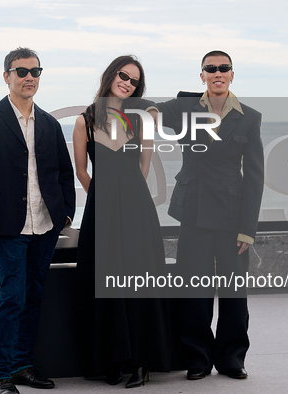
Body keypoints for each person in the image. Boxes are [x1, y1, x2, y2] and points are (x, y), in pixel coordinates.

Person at [0, 47, 75, 394]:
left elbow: (63, 172)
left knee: (33, 296)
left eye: (35, 71)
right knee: (12, 296)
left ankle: (22, 365)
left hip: (44, 225)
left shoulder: (49, 122)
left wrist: (65, 213)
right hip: (8, 225)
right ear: (7, 76)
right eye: (22, 71)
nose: (30, 77)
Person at [156, 50, 264, 380]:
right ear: (201, 74)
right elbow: (150, 112)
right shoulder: (184, 109)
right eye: (210, 68)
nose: (218, 72)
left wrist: (248, 228)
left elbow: (256, 174)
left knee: (234, 291)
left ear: (233, 74)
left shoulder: (249, 116)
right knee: (194, 289)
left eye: (224, 68)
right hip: (194, 210)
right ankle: (199, 357)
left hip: (232, 216)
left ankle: (232, 358)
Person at [73, 55, 171, 389]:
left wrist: (127, 195)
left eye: (134, 81)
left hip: (135, 209)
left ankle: (142, 364)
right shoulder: (85, 119)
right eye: (123, 75)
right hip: (101, 211)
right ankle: (110, 362)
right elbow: (82, 171)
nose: (127, 82)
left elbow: (144, 163)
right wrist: (102, 196)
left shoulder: (141, 118)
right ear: (110, 75)